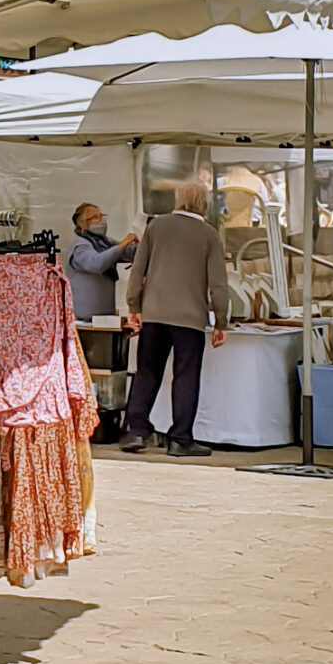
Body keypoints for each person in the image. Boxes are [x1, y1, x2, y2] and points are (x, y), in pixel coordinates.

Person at [122, 179, 229, 457]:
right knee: (185, 376)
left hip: (154, 313)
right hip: (190, 318)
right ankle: (180, 438)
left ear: (178, 200)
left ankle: (136, 430)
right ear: (204, 204)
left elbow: (138, 271)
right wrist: (221, 320)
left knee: (147, 372)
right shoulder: (209, 235)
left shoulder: (156, 226)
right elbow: (218, 283)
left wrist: (133, 305)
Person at [66, 202, 138, 323]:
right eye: (95, 217)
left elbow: (128, 252)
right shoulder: (79, 246)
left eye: (102, 215)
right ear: (83, 224)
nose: (101, 220)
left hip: (105, 318)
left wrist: (139, 244)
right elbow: (97, 264)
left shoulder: (106, 243)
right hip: (85, 320)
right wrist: (123, 243)